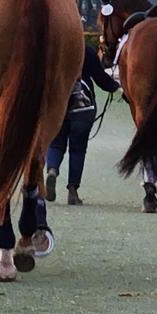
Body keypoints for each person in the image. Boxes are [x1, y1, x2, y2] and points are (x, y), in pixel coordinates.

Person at [45, 43, 120, 205]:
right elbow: (101, 78)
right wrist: (115, 86)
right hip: (83, 107)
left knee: (55, 143)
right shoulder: (86, 50)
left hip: (57, 103)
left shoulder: (52, 47)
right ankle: (73, 190)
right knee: (78, 149)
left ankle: (52, 169)